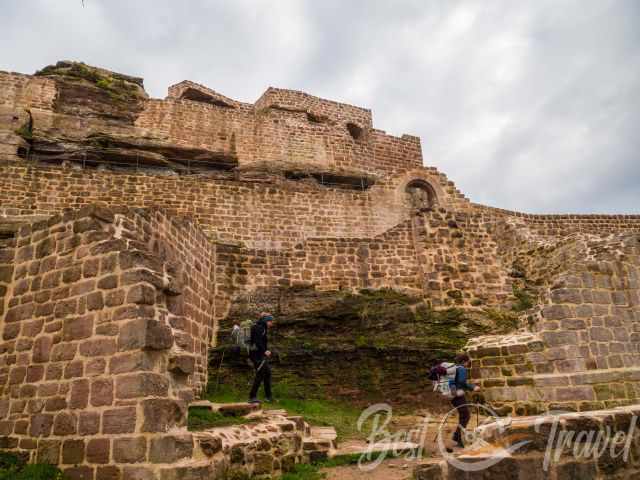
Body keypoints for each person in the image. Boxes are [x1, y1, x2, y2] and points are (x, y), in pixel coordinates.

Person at [449, 353, 480, 449]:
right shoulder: (461, 369)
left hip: (452, 395)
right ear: (463, 361)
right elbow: (462, 381)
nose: (468, 363)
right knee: (466, 416)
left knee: (464, 415)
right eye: (467, 361)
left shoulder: (454, 368)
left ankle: (457, 437)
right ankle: (458, 438)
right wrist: (473, 387)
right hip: (458, 395)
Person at [248, 313, 274, 404]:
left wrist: (265, 350)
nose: (272, 323)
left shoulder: (262, 328)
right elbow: (257, 341)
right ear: (266, 321)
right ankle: (252, 396)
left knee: (267, 373)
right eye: (270, 321)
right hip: (256, 355)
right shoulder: (260, 328)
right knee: (260, 374)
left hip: (258, 354)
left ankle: (269, 397)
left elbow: (261, 342)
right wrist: (264, 351)